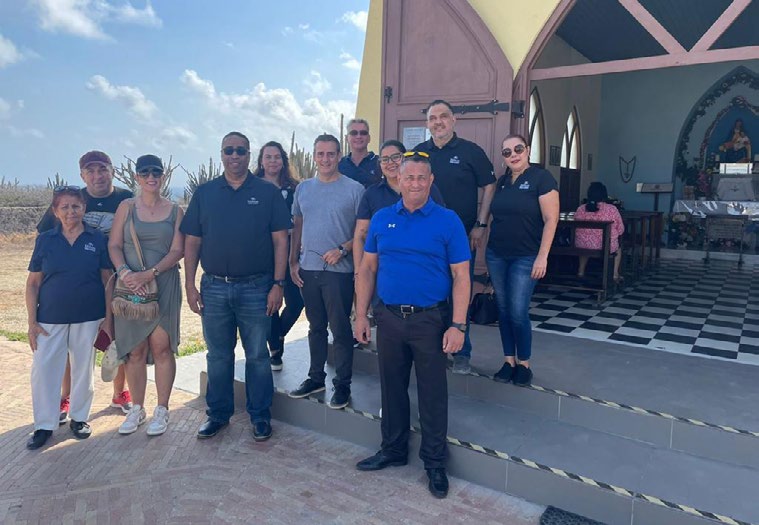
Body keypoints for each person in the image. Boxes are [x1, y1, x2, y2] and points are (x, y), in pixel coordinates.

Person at [353, 151, 471, 499]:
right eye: (409, 177)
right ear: (398, 180)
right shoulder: (381, 218)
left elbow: (461, 275)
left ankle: (434, 463)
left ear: (431, 181)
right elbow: (368, 269)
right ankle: (392, 449)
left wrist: (458, 325)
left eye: (422, 177)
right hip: (388, 317)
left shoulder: (448, 221)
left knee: (432, 393)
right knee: (391, 387)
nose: (415, 183)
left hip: (430, 320)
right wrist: (361, 314)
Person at [181, 131, 291, 441]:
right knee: (218, 356)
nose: (234, 156)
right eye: (229, 150)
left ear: (249, 155)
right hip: (214, 288)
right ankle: (218, 415)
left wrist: (278, 284)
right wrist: (190, 285)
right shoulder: (205, 193)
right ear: (221, 154)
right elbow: (192, 241)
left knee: (257, 356)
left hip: (257, 287)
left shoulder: (267, 193)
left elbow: (281, 241)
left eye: (240, 151)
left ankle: (260, 416)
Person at [37, 151, 133, 422]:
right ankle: (66, 397)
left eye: (102, 169)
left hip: (119, 278)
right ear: (82, 175)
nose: (97, 176)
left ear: (112, 171)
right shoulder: (72, 199)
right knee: (73, 345)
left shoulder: (126, 199)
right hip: (82, 282)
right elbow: (46, 235)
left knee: (119, 337)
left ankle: (120, 393)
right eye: (90, 171)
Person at [25, 187, 114, 449]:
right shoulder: (45, 240)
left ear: (83, 208)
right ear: (55, 211)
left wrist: (109, 319)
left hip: (89, 315)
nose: (70, 212)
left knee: (83, 368)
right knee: (44, 369)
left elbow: (107, 279)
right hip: (50, 317)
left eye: (75, 206)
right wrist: (31, 322)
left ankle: (79, 418)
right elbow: (33, 283)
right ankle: (44, 424)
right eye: (64, 207)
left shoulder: (96, 238)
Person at [415, 99, 495, 374]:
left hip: (461, 237)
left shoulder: (471, 152)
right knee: (429, 293)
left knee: (460, 292)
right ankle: (431, 347)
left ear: (454, 120)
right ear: (427, 123)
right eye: (432, 118)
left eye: (443, 116)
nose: (438, 122)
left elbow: (489, 185)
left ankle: (462, 352)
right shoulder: (418, 154)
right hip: (425, 240)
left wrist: (481, 224)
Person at [108, 155, 185, 436]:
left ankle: (162, 409)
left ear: (163, 176)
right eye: (145, 172)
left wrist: (149, 274)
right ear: (137, 177)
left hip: (163, 285)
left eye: (156, 172)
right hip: (131, 287)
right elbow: (114, 245)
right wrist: (126, 273)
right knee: (135, 350)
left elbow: (178, 250)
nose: (151, 177)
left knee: (162, 348)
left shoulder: (175, 211)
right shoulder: (126, 207)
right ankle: (137, 409)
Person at [288, 134, 364, 409]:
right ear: (314, 156)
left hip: (339, 271)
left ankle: (342, 385)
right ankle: (315, 377)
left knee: (340, 330)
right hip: (308, 269)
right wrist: (293, 261)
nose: (325, 159)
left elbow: (362, 232)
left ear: (339, 156)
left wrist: (343, 249)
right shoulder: (303, 189)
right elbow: (298, 225)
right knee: (315, 327)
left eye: (331, 154)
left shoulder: (355, 190)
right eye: (320, 154)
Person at [486, 134, 559, 386]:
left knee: (518, 311)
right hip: (497, 254)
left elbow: (551, 219)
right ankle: (509, 361)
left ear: (527, 150)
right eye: (507, 152)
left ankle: (524, 363)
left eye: (518, 149)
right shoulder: (502, 182)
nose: (513, 155)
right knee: (503, 310)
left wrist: (543, 256)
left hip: (526, 256)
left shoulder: (542, 178)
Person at [353, 139, 445, 284]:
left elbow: (441, 226)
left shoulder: (426, 188)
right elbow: (360, 235)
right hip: (382, 271)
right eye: (385, 159)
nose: (390, 163)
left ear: (405, 158)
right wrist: (359, 272)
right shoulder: (372, 193)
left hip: (424, 268)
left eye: (395, 157)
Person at [254, 141, 304, 371]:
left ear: (283, 161)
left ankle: (277, 338)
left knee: (297, 302)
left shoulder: (295, 188)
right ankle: (275, 352)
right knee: (271, 301)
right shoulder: (252, 187)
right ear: (261, 161)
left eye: (277, 157)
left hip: (292, 252)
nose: (273, 161)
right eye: (268, 157)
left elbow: (300, 219)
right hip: (263, 253)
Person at [574, 182, 625, 282]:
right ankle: (614, 274)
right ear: (604, 194)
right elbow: (620, 229)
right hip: (605, 245)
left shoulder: (581, 209)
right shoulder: (611, 209)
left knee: (585, 242)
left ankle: (581, 271)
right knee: (618, 249)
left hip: (582, 245)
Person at [338, 118, 380, 188]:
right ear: (346, 138)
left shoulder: (380, 163)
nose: (358, 136)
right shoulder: (339, 165)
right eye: (354, 133)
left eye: (363, 133)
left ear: (369, 138)